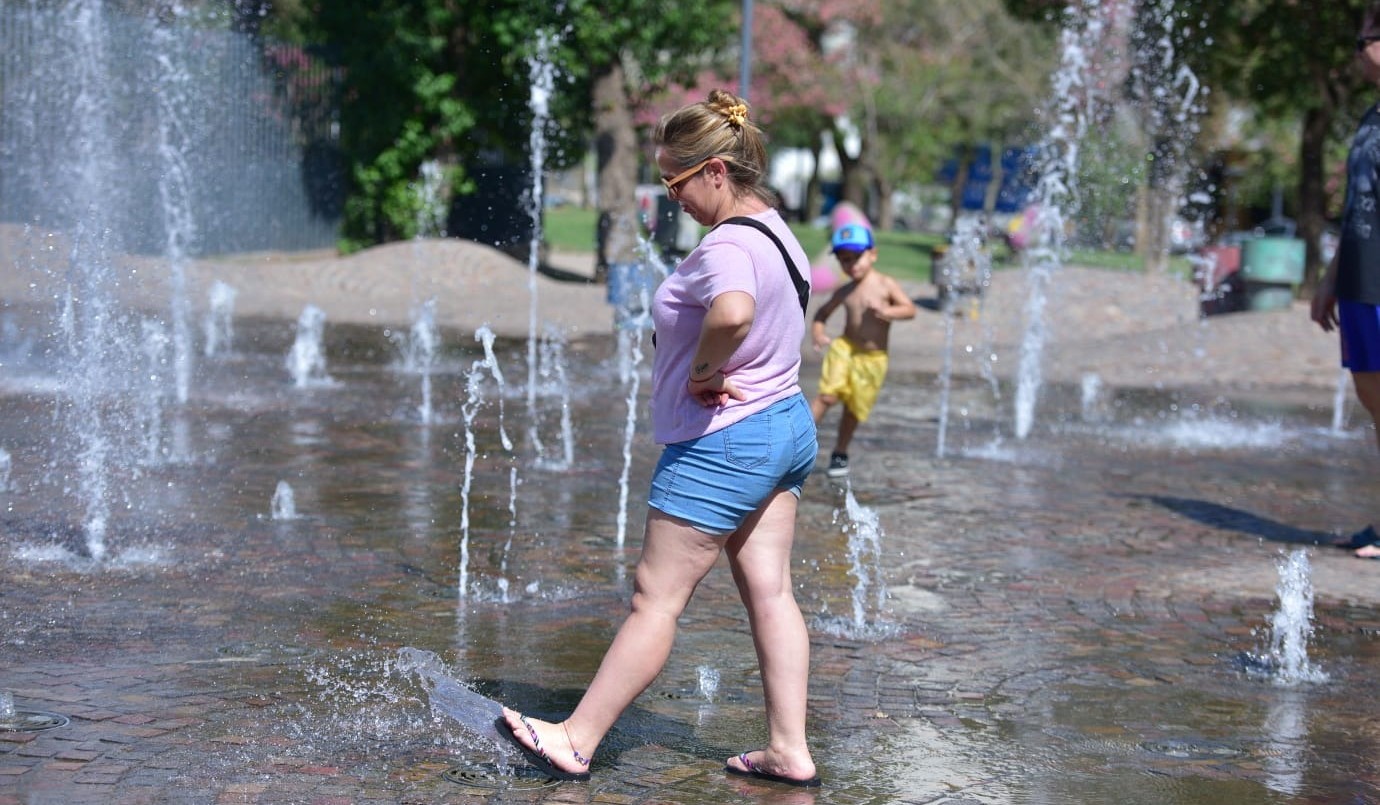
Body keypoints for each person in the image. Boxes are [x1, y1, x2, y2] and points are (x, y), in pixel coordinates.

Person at [497, 89, 822, 788]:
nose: (670, 196)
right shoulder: (777, 230)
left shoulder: (728, 243)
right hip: (784, 425)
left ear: (713, 170)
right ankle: (789, 748)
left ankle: (576, 737)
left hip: (725, 441)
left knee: (656, 597)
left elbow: (733, 311)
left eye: (674, 181)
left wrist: (704, 368)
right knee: (771, 592)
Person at [1314, 1, 1380, 559]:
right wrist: (1330, 279)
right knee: (1372, 397)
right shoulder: (1370, 119)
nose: (1356, 55)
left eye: (1361, 43)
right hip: (1361, 280)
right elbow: (1359, 207)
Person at [808, 223, 917, 478]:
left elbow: (909, 309)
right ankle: (798, 441)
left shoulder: (885, 285)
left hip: (873, 357)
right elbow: (822, 313)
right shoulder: (845, 291)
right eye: (844, 260)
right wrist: (818, 332)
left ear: (873, 255)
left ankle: (840, 451)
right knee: (828, 395)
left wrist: (888, 311)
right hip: (845, 348)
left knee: (854, 408)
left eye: (857, 258)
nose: (851, 265)